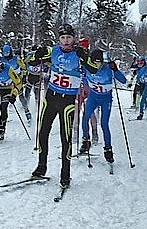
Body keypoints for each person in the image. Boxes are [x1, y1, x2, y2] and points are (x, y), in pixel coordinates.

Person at [31, 23, 99, 187]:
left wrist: (85, 57)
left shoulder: (79, 53)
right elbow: (33, 62)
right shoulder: (53, 51)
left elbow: (94, 69)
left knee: (65, 137)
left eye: (69, 37)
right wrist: (37, 54)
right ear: (59, 39)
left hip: (67, 101)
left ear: (73, 38)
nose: (66, 41)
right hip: (50, 98)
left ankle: (65, 174)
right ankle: (41, 167)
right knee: (42, 133)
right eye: (63, 38)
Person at [80, 49, 127, 163]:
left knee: (104, 124)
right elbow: (84, 79)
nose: (97, 65)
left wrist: (115, 70)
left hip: (106, 99)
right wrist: (84, 86)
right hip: (93, 97)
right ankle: (86, 141)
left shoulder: (108, 68)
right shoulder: (88, 67)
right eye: (95, 62)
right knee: (85, 118)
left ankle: (108, 149)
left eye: (99, 62)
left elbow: (123, 80)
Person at [1, 44, 31, 123]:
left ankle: (27, 113)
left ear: (10, 52)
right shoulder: (2, 60)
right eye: (4, 53)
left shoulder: (16, 59)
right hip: (7, 81)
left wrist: (24, 76)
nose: (6, 54)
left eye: (7, 52)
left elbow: (24, 67)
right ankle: (4, 116)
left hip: (17, 80)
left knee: (21, 96)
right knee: (5, 98)